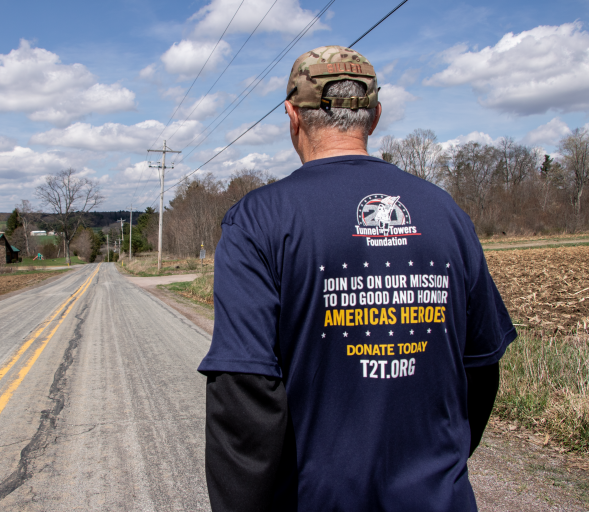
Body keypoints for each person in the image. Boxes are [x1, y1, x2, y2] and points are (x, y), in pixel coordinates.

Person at [197, 46, 516, 511]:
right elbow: (481, 367)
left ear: (292, 115)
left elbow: (244, 389)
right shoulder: (446, 213)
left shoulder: (259, 220)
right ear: (375, 116)